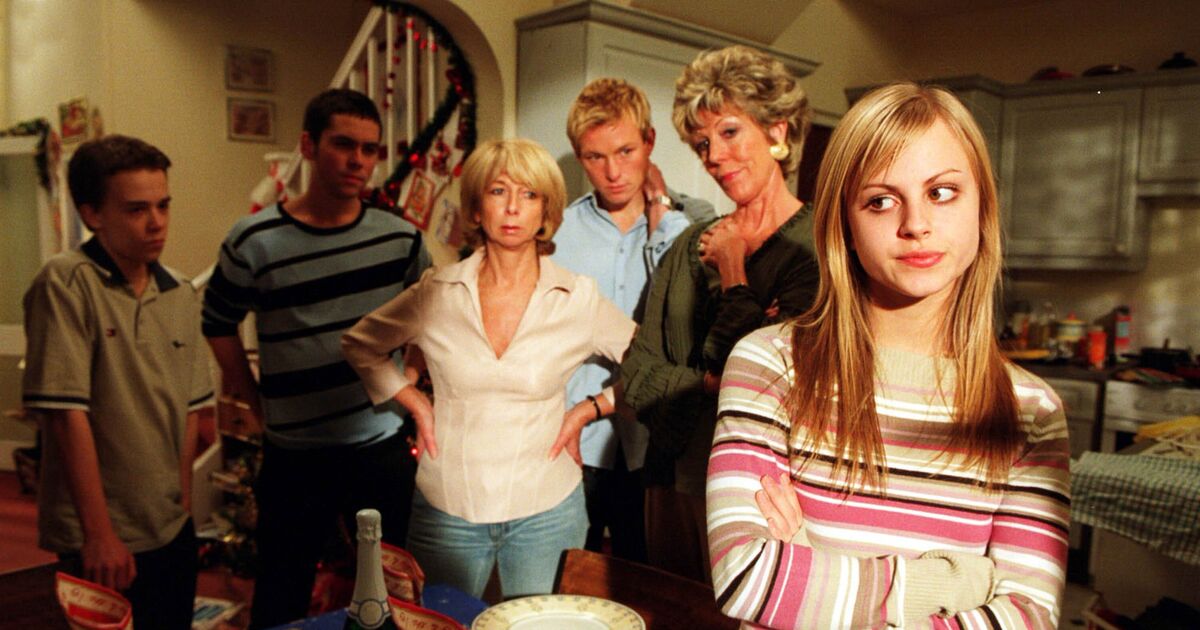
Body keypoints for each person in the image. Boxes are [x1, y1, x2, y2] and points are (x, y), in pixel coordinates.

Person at [708, 82, 1070, 628]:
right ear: (847, 227)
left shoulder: (1030, 410)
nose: (915, 224)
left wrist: (811, 568)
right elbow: (746, 576)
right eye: (880, 201)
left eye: (942, 192)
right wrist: (952, 584)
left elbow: (1030, 617)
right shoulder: (771, 365)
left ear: (981, 209)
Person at [342, 138, 635, 599]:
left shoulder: (577, 297)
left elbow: (651, 364)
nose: (513, 207)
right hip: (447, 508)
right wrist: (413, 400)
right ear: (477, 209)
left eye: (529, 194)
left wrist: (589, 409)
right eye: (499, 191)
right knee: (436, 623)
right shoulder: (437, 292)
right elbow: (360, 344)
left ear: (546, 211)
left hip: (548, 509)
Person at [202, 88, 430, 629]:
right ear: (308, 146)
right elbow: (217, 323)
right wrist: (255, 404)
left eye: (370, 150)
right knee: (280, 597)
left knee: (392, 595)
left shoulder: (400, 239)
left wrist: (410, 381)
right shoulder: (254, 240)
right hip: (294, 456)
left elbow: (430, 318)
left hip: (379, 449)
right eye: (343, 145)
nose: (358, 161)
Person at [621, 44, 819, 583]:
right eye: (703, 143)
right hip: (670, 483)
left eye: (730, 132)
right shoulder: (688, 245)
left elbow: (768, 383)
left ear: (777, 131)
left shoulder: (817, 248)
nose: (714, 156)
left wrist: (733, 271)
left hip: (768, 496)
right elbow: (636, 378)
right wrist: (711, 384)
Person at [22, 135, 212, 629]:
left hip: (169, 526)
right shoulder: (65, 282)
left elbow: (191, 409)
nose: (157, 222)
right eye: (136, 209)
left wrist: (182, 504)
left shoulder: (180, 291)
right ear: (92, 214)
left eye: (163, 205)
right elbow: (65, 416)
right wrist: (99, 535)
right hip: (103, 534)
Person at [551, 77, 715, 562]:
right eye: (595, 157)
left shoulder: (690, 225)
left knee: (650, 581)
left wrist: (662, 216)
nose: (613, 172)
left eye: (625, 151)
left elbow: (687, 310)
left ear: (649, 142)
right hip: (577, 441)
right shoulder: (558, 233)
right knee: (567, 575)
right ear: (580, 157)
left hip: (657, 439)